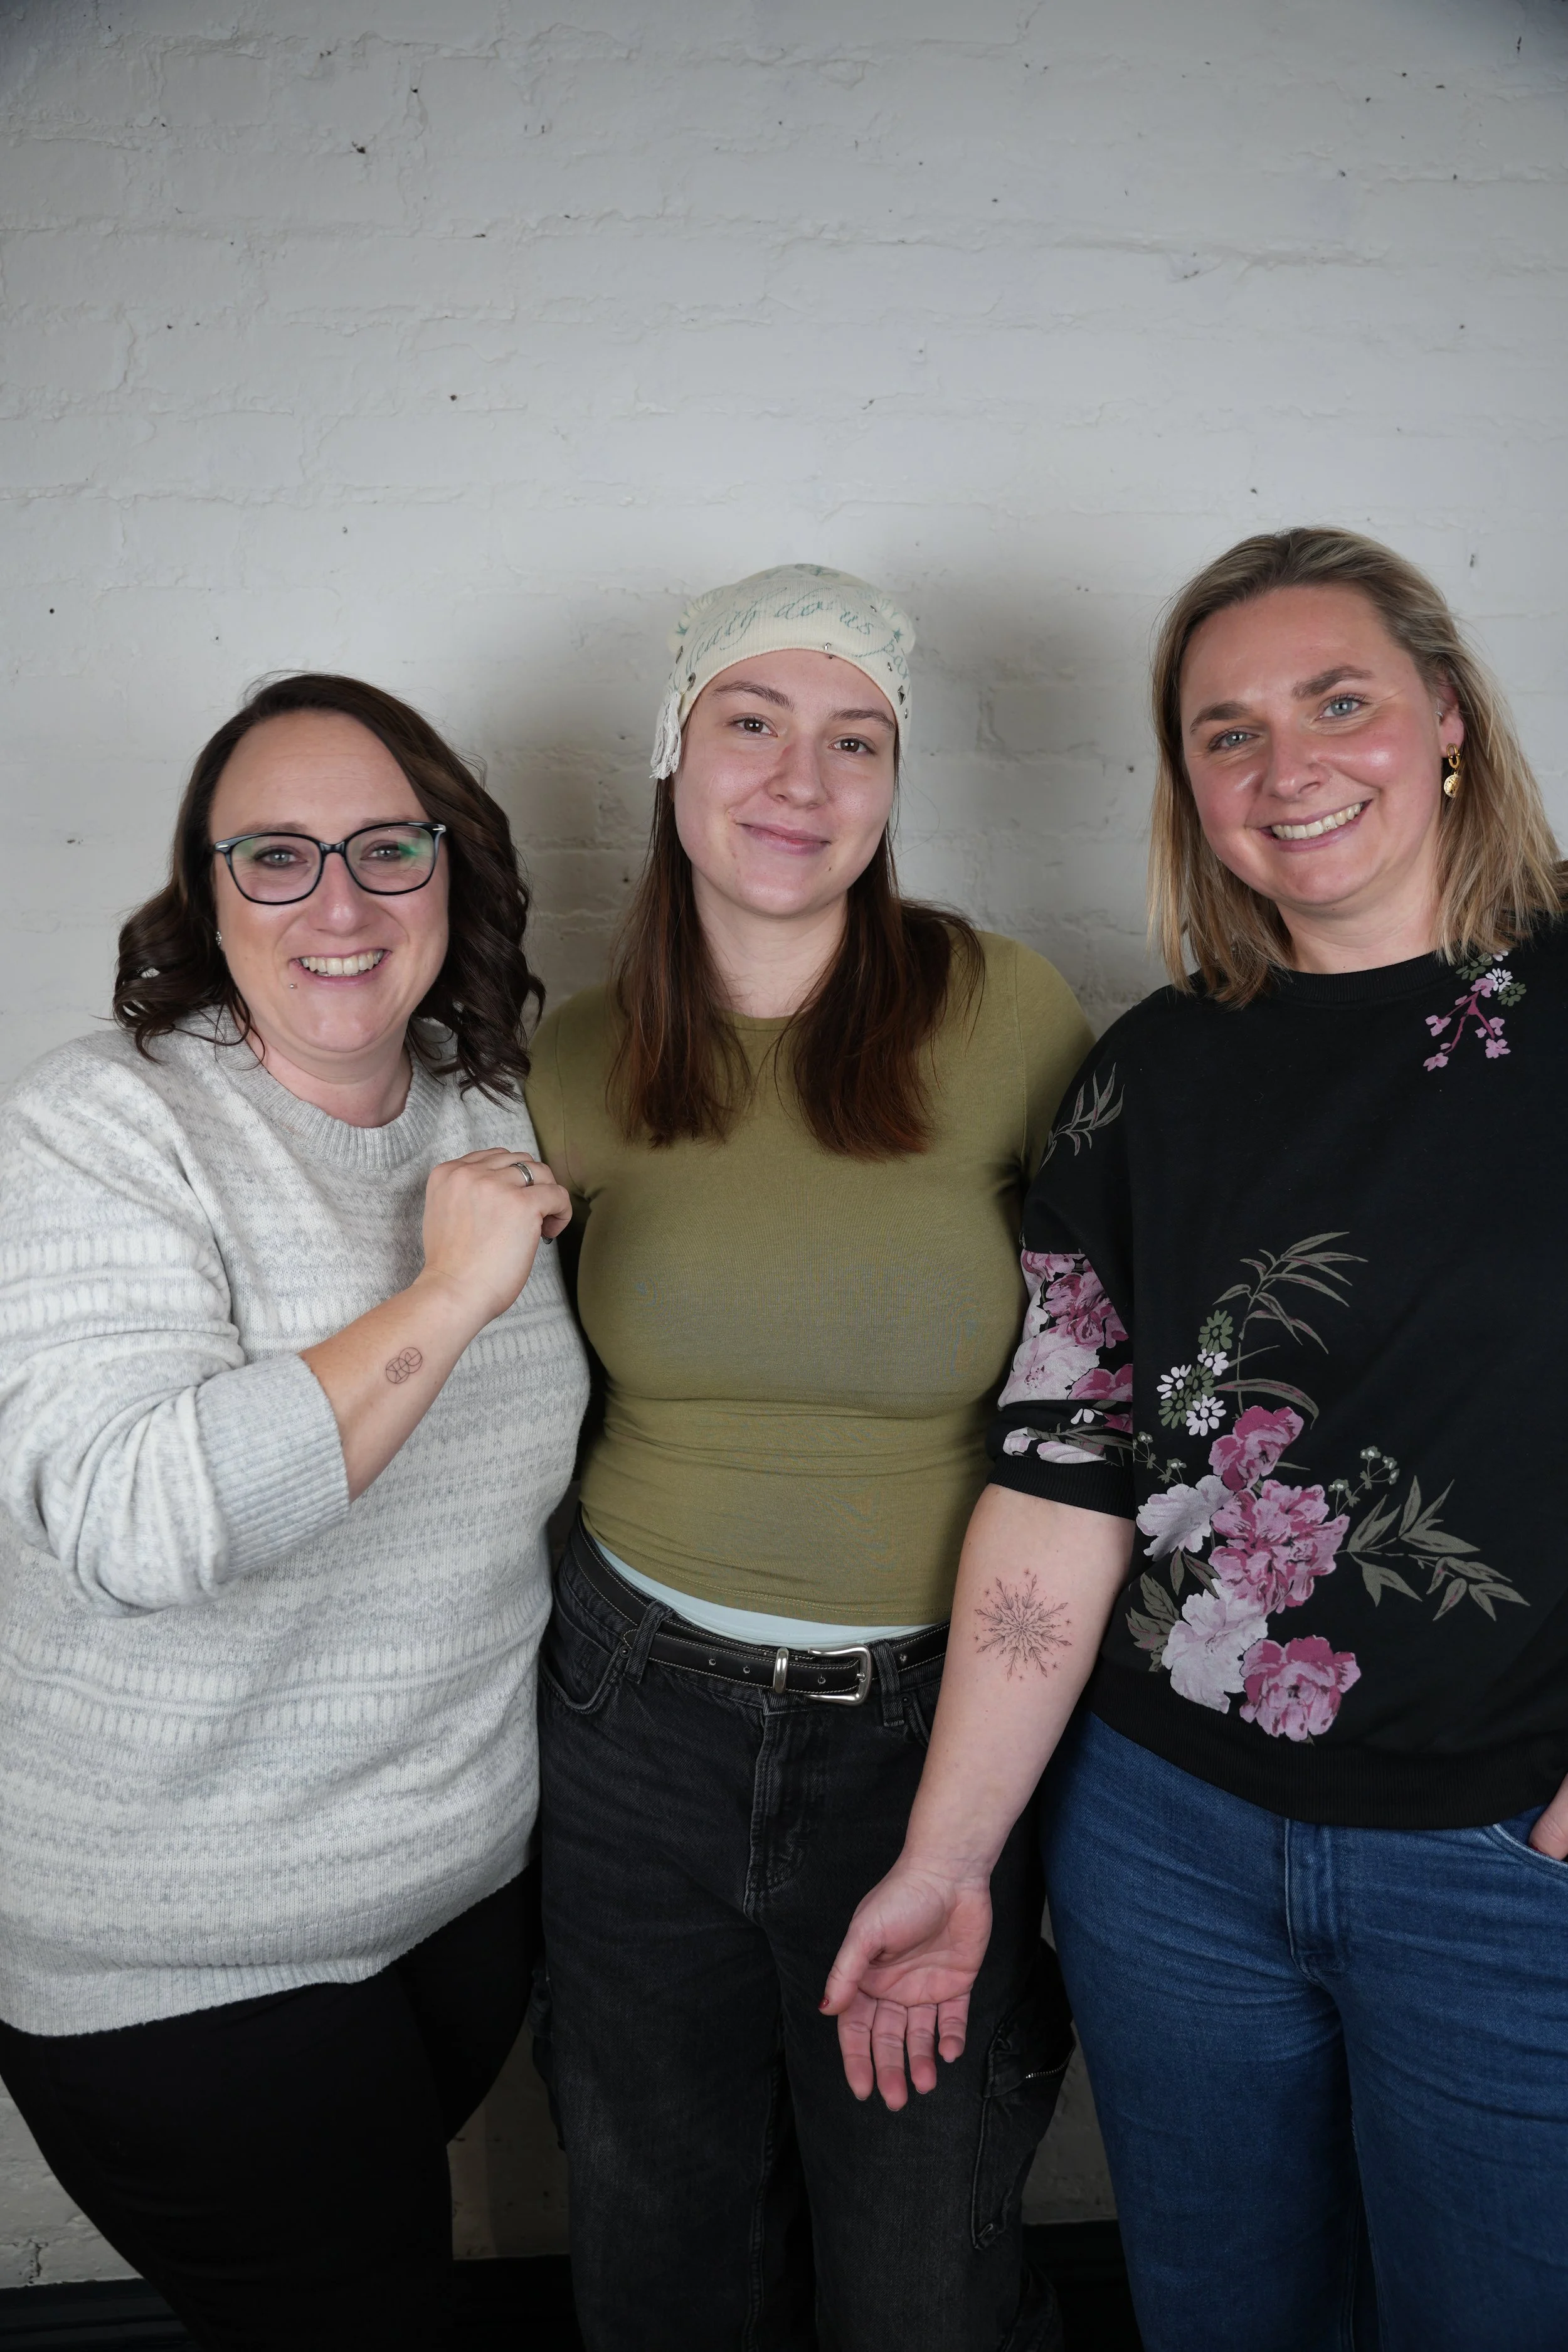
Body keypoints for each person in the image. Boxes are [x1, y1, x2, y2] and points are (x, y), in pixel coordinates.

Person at [823, 527, 1568, 2352]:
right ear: (1185, 788)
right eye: (1222, 732)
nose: (1285, 764)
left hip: (1499, 1863)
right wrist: (947, 1854)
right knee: (1220, 2317)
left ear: (1447, 718)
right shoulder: (1145, 1077)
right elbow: (1057, 1475)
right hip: (1162, 1849)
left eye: (1336, 702)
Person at [524, 565, 1094, 2351]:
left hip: (932, 1734)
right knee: (658, 2249)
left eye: (855, 740)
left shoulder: (1005, 1014)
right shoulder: (574, 1054)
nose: (801, 778)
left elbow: (1100, 1403)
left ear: (895, 782)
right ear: (671, 754)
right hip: (629, 1721)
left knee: (917, 2275)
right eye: (751, 723)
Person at [0, 674, 589, 2351]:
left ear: (451, 872)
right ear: (206, 888)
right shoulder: (107, 1122)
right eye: (275, 854)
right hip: (186, 1961)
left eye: (386, 848)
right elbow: (130, 1517)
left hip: (449, 1907)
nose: (337, 901)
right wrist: (450, 1293)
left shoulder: (486, 1107)